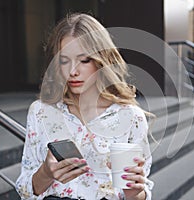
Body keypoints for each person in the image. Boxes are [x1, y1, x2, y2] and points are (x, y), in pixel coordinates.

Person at [15, 13, 154, 200]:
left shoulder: (130, 117)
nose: (73, 71)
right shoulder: (41, 112)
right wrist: (46, 173)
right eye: (64, 61)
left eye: (85, 60)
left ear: (102, 59)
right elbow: (25, 190)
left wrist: (135, 192)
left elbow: (140, 193)